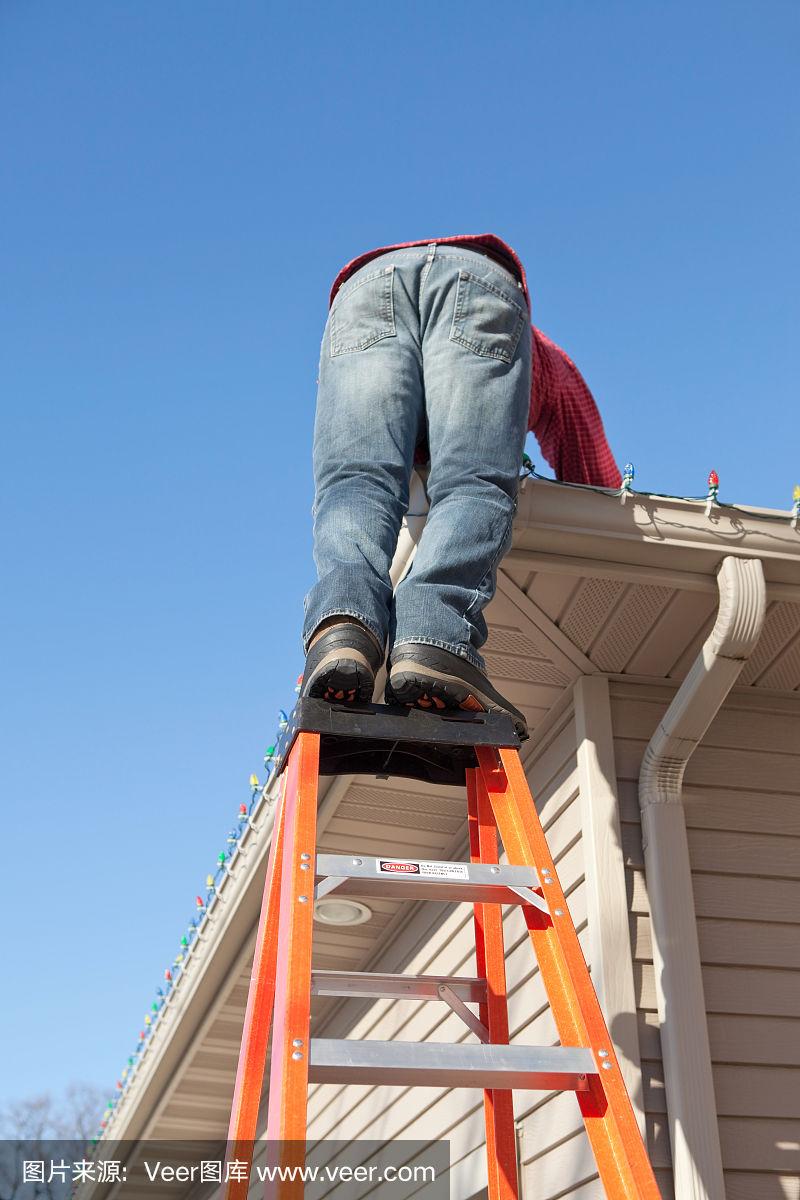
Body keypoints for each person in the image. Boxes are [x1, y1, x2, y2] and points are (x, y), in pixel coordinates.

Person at [300, 234, 621, 739]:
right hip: (478, 282)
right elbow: (591, 471)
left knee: (355, 481)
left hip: (363, 287)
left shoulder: (542, 359)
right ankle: (435, 635)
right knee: (472, 482)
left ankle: (344, 625)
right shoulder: (542, 357)